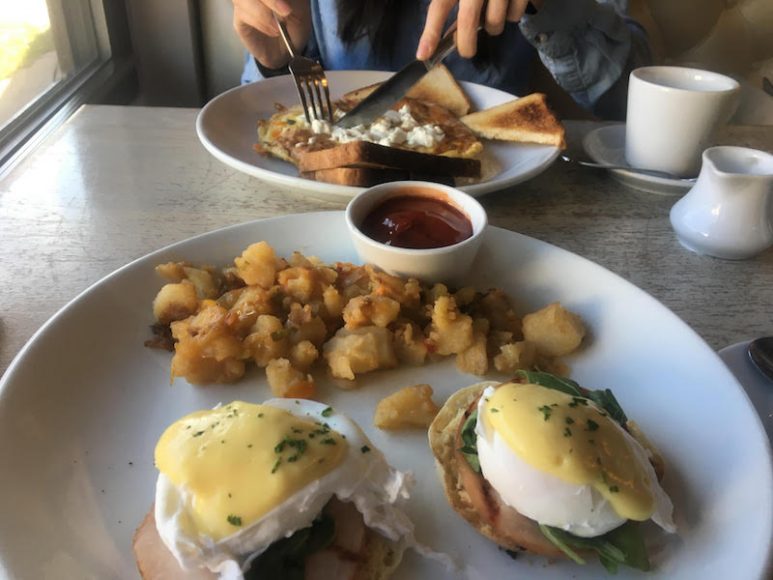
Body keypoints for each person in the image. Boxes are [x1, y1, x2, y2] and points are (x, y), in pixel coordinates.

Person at [233, 0, 652, 120]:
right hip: (327, 207)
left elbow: (634, 106)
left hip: (499, 203)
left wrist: (547, 5)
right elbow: (276, 126)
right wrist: (279, 59)